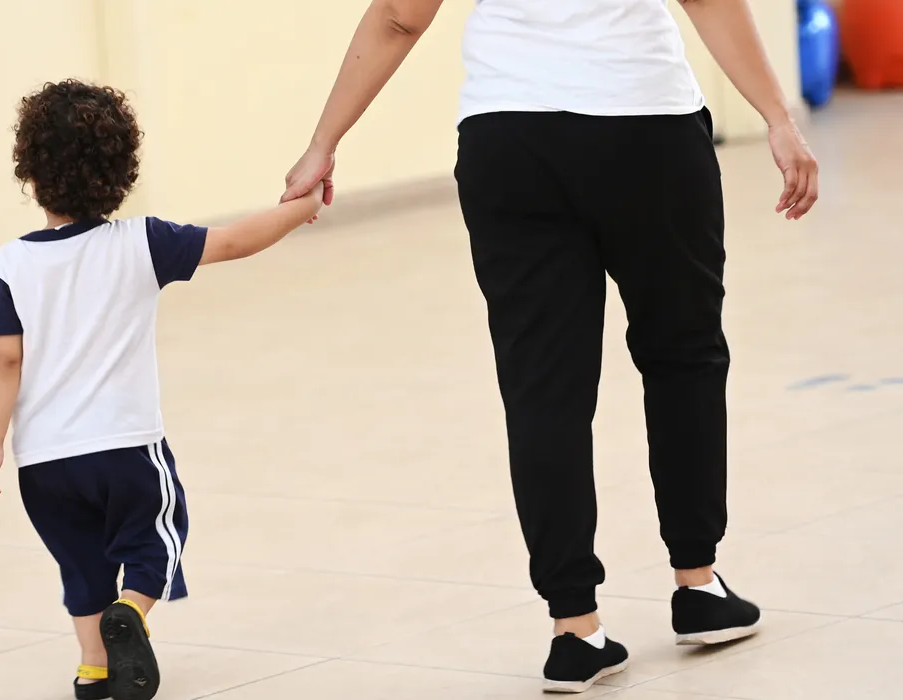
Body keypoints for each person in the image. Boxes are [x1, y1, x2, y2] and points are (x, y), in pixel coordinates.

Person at [280, 0, 818, 693]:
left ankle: (575, 628)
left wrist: (323, 142)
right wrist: (777, 116)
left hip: (509, 139)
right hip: (646, 127)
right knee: (682, 357)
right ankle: (698, 584)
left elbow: (397, 17)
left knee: (542, 389)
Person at [0, 79, 323, 700]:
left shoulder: (10, 264)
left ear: (31, 172)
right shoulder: (141, 243)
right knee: (157, 535)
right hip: (125, 447)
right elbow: (234, 241)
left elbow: (3, 358)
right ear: (120, 171)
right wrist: (303, 205)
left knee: (81, 564)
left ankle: (93, 669)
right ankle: (130, 611)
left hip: (45, 462)